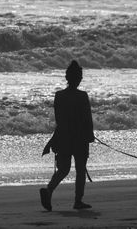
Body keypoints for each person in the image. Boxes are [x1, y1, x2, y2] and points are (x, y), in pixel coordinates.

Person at [40, 60, 95, 211]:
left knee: (63, 169)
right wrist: (90, 136)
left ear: (67, 78)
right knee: (80, 170)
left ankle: (49, 190)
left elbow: (60, 121)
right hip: (80, 138)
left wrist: (53, 141)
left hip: (64, 137)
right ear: (79, 78)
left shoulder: (59, 96)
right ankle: (78, 201)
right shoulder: (82, 96)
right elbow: (87, 119)